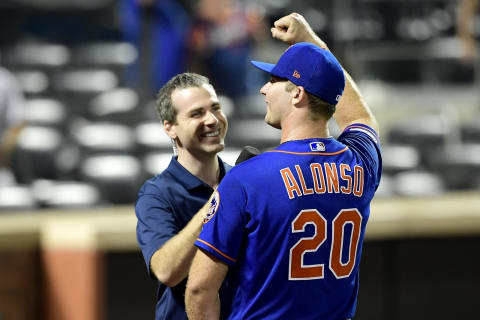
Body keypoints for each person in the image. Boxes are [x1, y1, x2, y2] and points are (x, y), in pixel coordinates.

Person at [185, 12, 382, 320]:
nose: (264, 89)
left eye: (274, 80)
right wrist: (312, 45)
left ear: (298, 94)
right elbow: (359, 118)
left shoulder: (248, 178)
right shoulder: (360, 164)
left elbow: (199, 290)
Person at [134, 72, 233, 319]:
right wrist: (218, 202)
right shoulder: (156, 195)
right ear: (170, 128)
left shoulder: (243, 181)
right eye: (196, 113)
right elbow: (166, 271)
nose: (212, 120)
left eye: (216, 108)